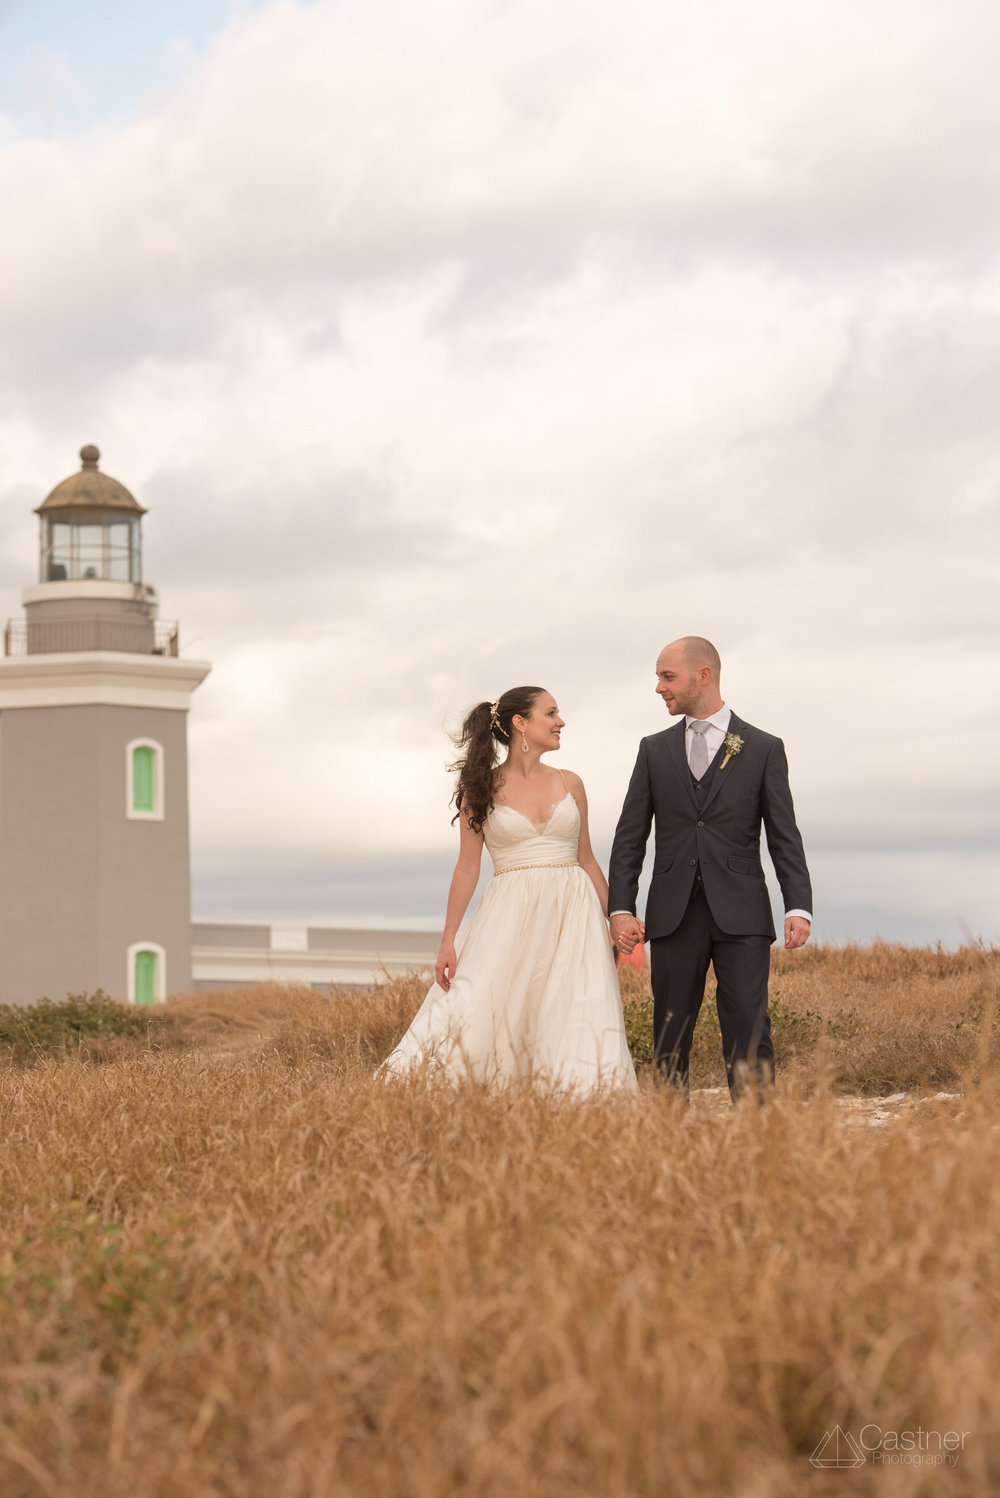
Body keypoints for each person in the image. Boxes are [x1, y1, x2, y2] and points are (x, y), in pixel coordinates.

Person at [381, 687, 637, 1092]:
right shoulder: (479, 790)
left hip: (574, 914)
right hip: (510, 915)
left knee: (575, 1007)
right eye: (551, 713)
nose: (560, 721)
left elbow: (586, 859)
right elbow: (467, 869)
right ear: (521, 723)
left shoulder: (572, 783)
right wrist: (448, 940)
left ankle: (578, 1101)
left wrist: (618, 917)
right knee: (482, 1002)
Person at [608, 637, 812, 1098]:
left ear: (704, 675)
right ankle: (669, 1132)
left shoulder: (762, 747)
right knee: (670, 1030)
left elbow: (784, 834)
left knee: (748, 1025)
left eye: (667, 676)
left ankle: (757, 1136)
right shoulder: (653, 750)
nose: (659, 687)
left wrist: (798, 905)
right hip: (673, 913)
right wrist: (621, 906)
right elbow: (629, 836)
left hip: (742, 912)